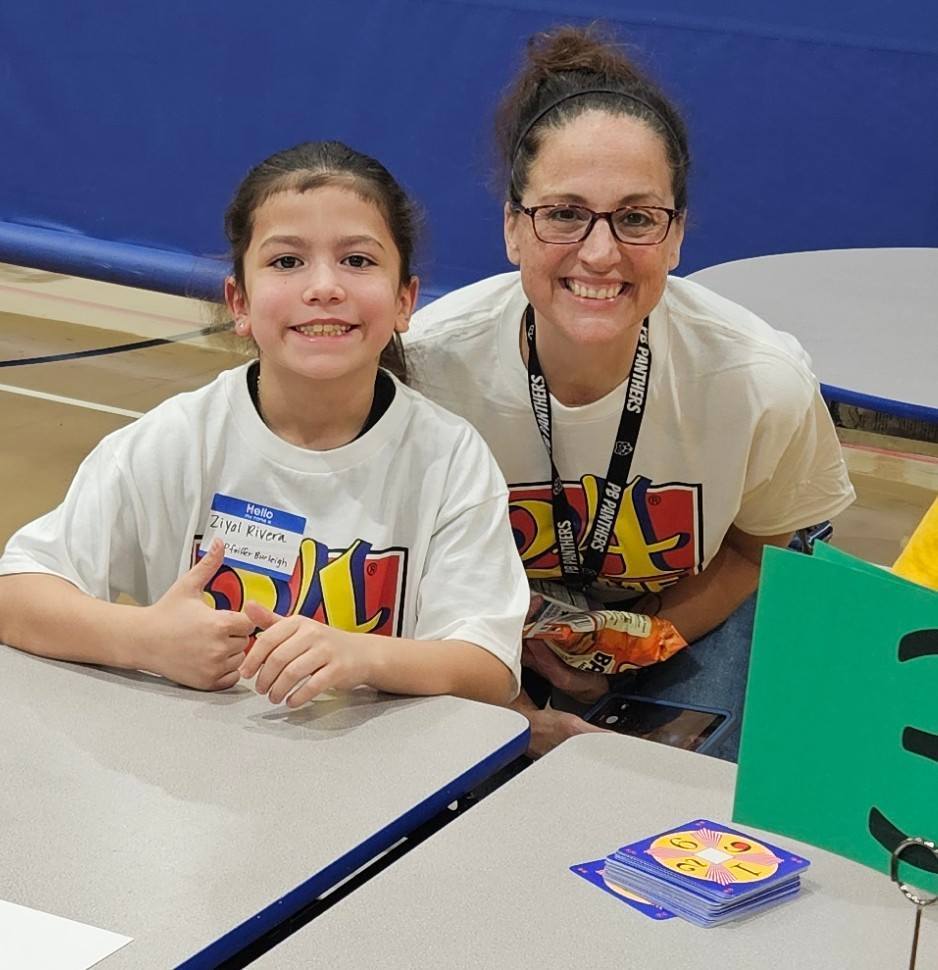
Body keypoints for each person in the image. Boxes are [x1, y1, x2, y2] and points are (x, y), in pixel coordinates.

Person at [404, 26, 855, 759]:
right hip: (491, 625)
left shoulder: (758, 380)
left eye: (637, 218)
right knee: (463, 770)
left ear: (676, 237)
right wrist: (519, 715)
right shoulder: (430, 369)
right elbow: (411, 571)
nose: (600, 252)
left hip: (691, 610)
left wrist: (643, 641)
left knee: (677, 787)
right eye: (564, 213)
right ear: (513, 227)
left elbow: (757, 550)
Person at [0, 141, 527, 708]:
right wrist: (145, 639)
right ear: (240, 303)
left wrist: (363, 656)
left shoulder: (449, 459)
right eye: (286, 262)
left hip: (382, 755)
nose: (324, 287)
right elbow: (15, 593)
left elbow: (490, 669)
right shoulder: (181, 439)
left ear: (405, 301)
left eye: (357, 260)